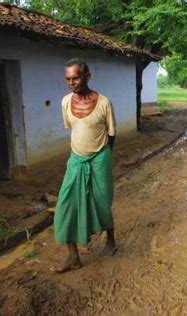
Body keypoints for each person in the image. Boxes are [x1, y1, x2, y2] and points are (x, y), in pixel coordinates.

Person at [53, 58, 117, 273]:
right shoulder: (65, 102)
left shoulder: (104, 103)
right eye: (68, 79)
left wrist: (102, 158)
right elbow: (73, 128)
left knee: (101, 201)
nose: (71, 82)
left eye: (75, 78)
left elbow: (111, 135)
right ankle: (73, 256)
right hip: (76, 159)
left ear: (87, 77)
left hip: (100, 158)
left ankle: (111, 240)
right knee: (66, 204)